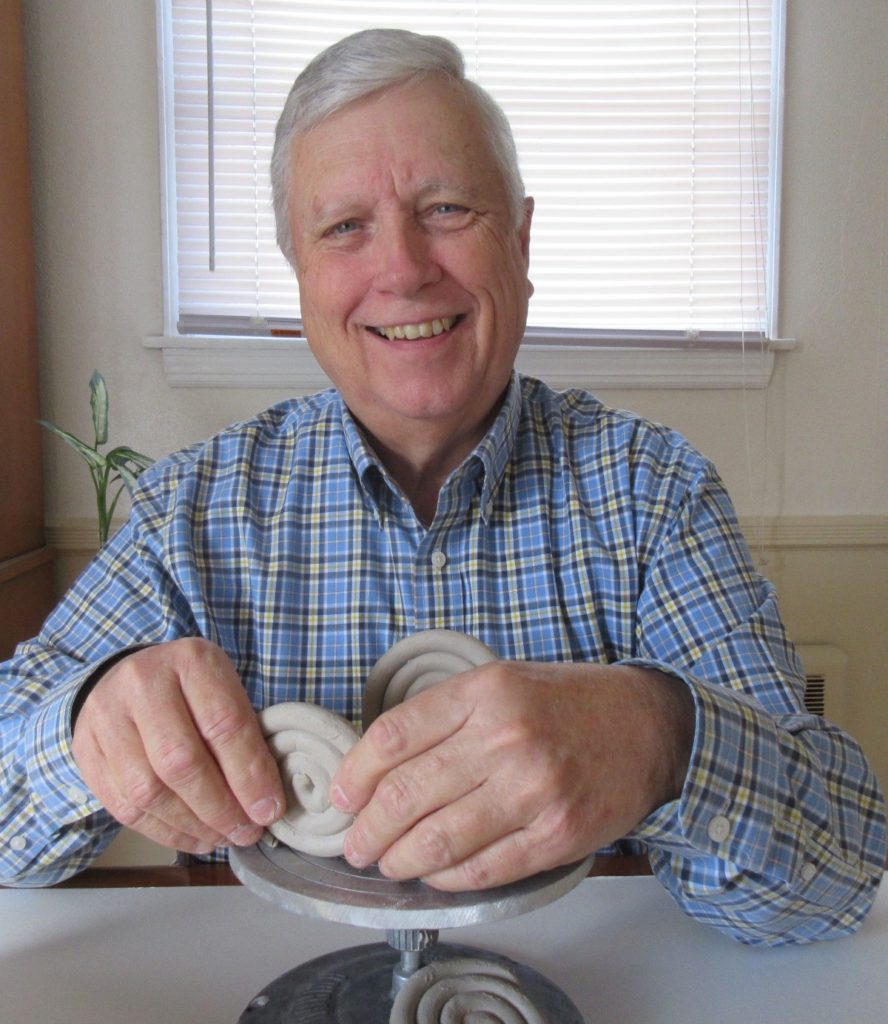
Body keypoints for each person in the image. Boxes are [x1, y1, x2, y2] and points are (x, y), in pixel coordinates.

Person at [0, 29, 884, 946]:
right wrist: (83, 732)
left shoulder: (651, 496)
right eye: (345, 228)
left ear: (523, 241)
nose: (405, 269)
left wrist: (663, 742)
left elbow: (837, 880)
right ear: (301, 273)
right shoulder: (189, 516)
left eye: (450, 208)